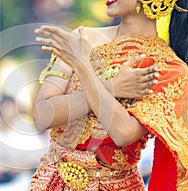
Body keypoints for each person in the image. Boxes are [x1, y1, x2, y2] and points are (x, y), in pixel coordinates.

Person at [31, 0, 188, 190]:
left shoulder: (168, 68)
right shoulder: (82, 38)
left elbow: (123, 133)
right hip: (52, 181)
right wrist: (112, 87)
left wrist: (82, 66)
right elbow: (42, 116)